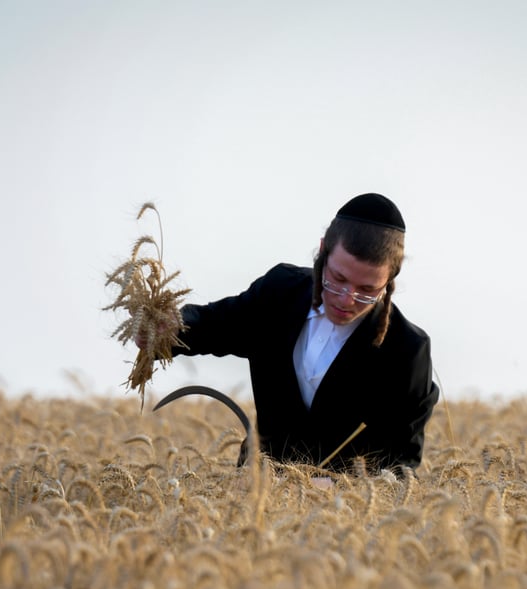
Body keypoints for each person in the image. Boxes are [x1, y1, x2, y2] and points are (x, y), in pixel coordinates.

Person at [150, 193, 438, 474]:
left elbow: (401, 464)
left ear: (390, 280)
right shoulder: (280, 291)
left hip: (343, 516)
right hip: (250, 500)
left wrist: (335, 489)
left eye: (367, 290)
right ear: (323, 250)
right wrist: (164, 330)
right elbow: (214, 325)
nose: (346, 299)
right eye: (338, 278)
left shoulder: (408, 351)